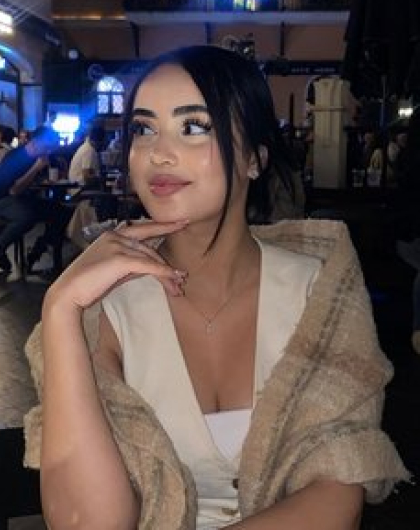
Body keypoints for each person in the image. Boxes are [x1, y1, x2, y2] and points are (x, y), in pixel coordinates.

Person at [24, 46, 409, 530]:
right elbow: (88, 522)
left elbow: (337, 493)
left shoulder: (320, 289)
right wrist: (60, 308)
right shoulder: (103, 309)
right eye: (143, 129)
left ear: (254, 159)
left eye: (193, 126)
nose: (158, 153)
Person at [0, 124, 71, 273]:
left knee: (61, 212)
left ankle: (37, 251)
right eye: (47, 146)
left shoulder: (42, 156)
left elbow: (48, 178)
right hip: (2, 200)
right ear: (36, 142)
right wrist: (36, 168)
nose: (49, 150)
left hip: (25, 200)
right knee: (27, 217)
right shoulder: (16, 157)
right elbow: (14, 190)